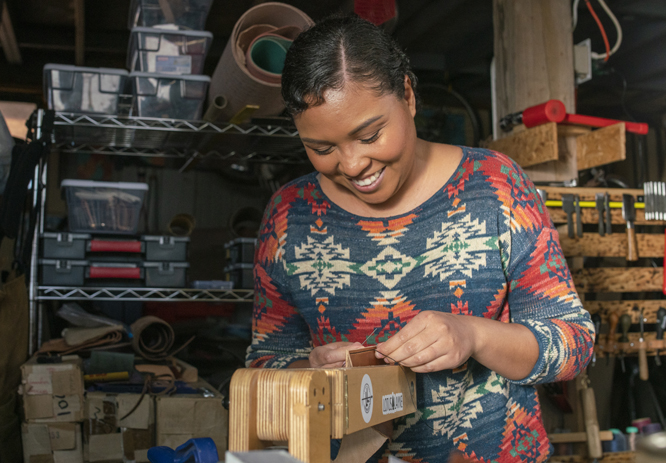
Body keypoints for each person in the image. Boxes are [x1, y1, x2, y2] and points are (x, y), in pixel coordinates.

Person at [246, 14, 594, 463]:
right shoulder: (287, 217)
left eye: (369, 135)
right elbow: (264, 363)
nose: (351, 165)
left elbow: (574, 342)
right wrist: (307, 370)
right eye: (322, 148)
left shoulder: (495, 185)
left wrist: (474, 335)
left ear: (407, 95)